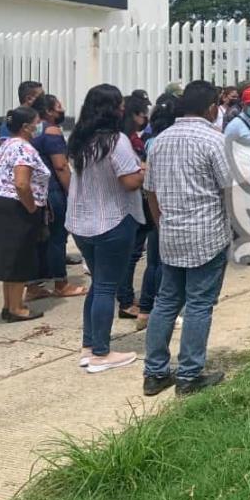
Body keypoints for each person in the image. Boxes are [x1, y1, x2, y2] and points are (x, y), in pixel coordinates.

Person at [143, 81, 231, 397]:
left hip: (170, 234)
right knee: (199, 304)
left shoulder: (160, 141)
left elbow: (150, 192)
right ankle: (189, 375)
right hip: (207, 235)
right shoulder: (215, 141)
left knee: (166, 302)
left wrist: (161, 224)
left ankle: (154, 372)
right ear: (210, 109)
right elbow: (229, 189)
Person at [66, 84, 146, 374]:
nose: (123, 109)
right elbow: (129, 182)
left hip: (82, 223)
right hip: (114, 220)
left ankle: (89, 346)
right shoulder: (116, 141)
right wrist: (142, 172)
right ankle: (101, 353)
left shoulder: (78, 140)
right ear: (112, 109)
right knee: (106, 286)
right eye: (119, 104)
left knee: (98, 284)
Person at [0, 106, 51, 322]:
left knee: (9, 258)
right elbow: (22, 183)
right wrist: (32, 207)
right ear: (26, 127)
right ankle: (16, 308)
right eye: (36, 122)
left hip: (0, 203)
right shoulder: (25, 149)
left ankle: (9, 305)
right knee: (20, 258)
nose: (38, 125)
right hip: (18, 207)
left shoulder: (6, 145)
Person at [28, 95, 86, 299]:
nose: (62, 110)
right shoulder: (52, 131)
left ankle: (33, 286)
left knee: (40, 240)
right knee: (57, 237)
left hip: (35, 190)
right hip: (53, 190)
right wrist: (72, 192)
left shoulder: (32, 130)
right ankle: (61, 284)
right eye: (59, 107)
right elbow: (61, 166)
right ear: (49, 112)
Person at [138, 93, 182, 326]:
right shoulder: (172, 142)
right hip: (167, 206)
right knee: (165, 264)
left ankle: (145, 308)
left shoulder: (151, 141)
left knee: (153, 261)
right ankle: (161, 309)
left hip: (152, 204)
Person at [117, 95, 153, 319]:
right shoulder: (125, 140)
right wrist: (145, 168)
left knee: (133, 252)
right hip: (133, 199)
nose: (145, 118)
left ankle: (126, 297)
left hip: (135, 198)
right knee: (131, 253)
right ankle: (126, 301)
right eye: (142, 114)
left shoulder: (129, 137)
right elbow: (131, 169)